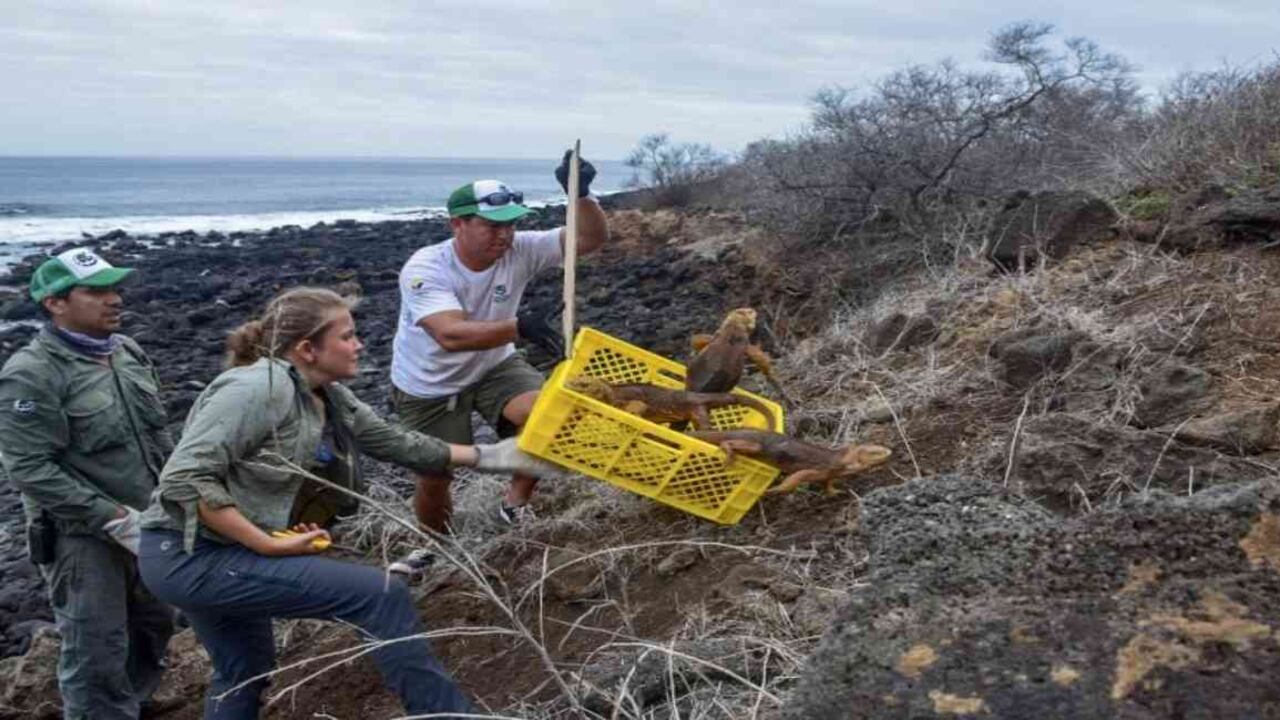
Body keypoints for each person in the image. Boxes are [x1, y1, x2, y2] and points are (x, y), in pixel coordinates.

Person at [137, 287, 564, 719]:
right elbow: (186, 479)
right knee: (380, 595)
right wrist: (265, 545)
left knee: (243, 668)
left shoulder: (327, 395)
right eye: (347, 336)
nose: (359, 345)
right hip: (188, 556)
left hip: (213, 551)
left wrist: (494, 457)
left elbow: (393, 441)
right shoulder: (255, 389)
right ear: (307, 349)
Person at [389, 151, 609, 572]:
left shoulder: (521, 249)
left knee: (551, 416)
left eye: (511, 224)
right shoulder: (426, 268)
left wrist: (581, 194)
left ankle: (514, 503)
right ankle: (435, 548)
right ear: (458, 224)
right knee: (436, 475)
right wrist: (520, 327)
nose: (505, 235)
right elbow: (450, 334)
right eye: (492, 226)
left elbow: (590, 240)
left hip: (494, 366)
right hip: (429, 384)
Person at [0, 247, 175, 720]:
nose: (114, 299)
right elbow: (30, 469)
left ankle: (133, 705)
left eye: (115, 288)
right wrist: (113, 518)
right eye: (96, 291)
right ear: (55, 303)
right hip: (83, 539)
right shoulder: (31, 374)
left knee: (154, 627)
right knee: (95, 650)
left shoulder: (126, 352)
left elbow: (157, 437)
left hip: (150, 521)